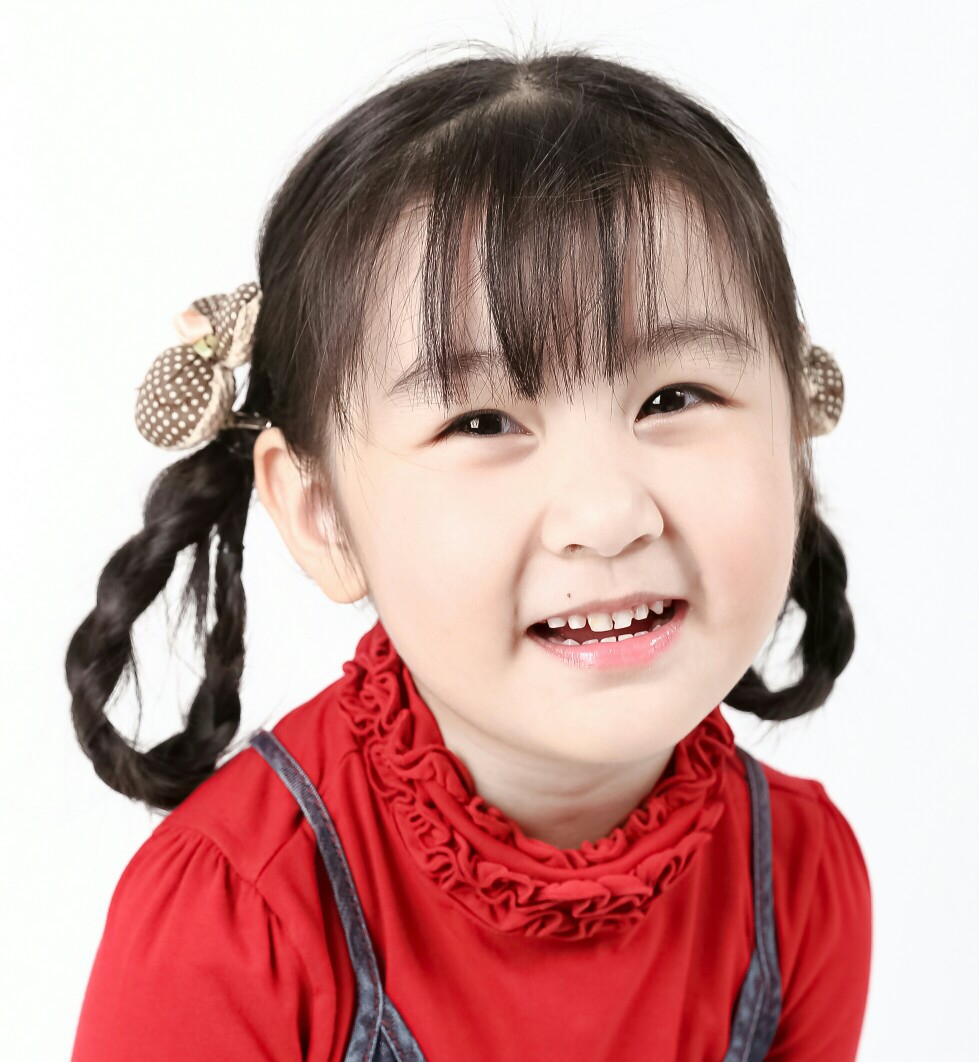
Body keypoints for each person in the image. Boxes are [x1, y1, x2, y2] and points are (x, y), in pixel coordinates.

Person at [67, 44, 870, 1062]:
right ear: (322, 515)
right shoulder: (234, 921)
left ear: (795, 437)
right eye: (483, 422)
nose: (608, 513)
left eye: (674, 398)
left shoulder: (798, 881)